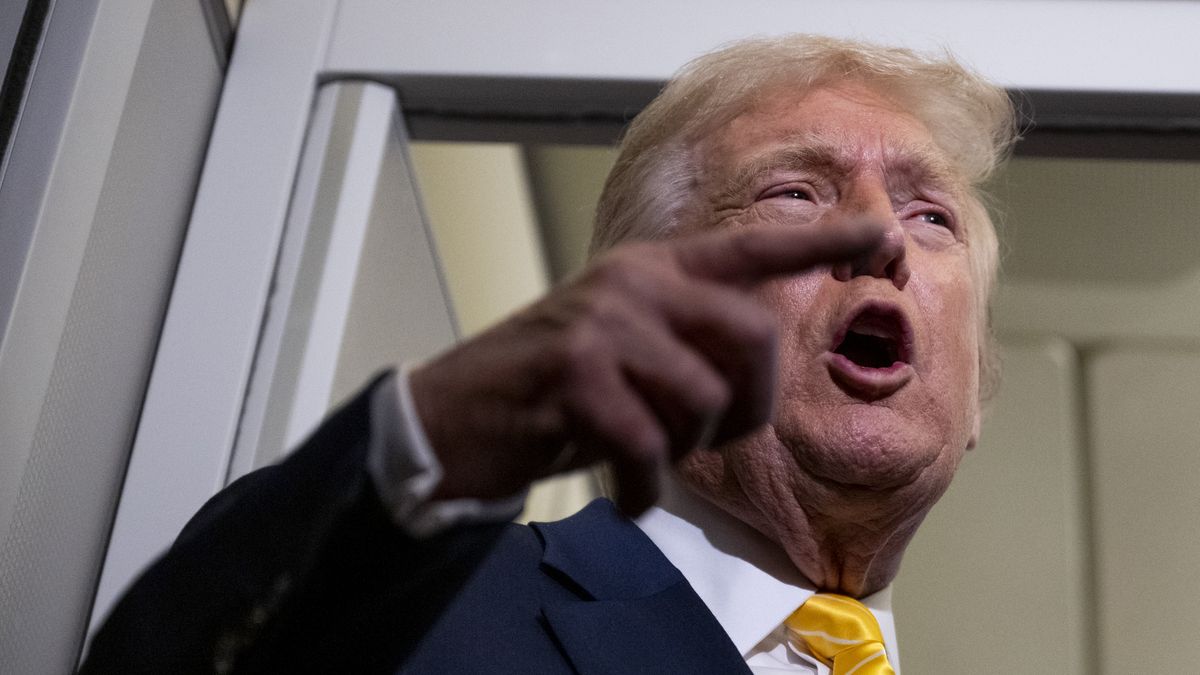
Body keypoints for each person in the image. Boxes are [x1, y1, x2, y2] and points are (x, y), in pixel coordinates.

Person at [82, 34, 1017, 674]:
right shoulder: (421, 611)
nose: (880, 240)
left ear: (977, 395)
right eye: (794, 194)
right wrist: (435, 434)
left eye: (928, 214)